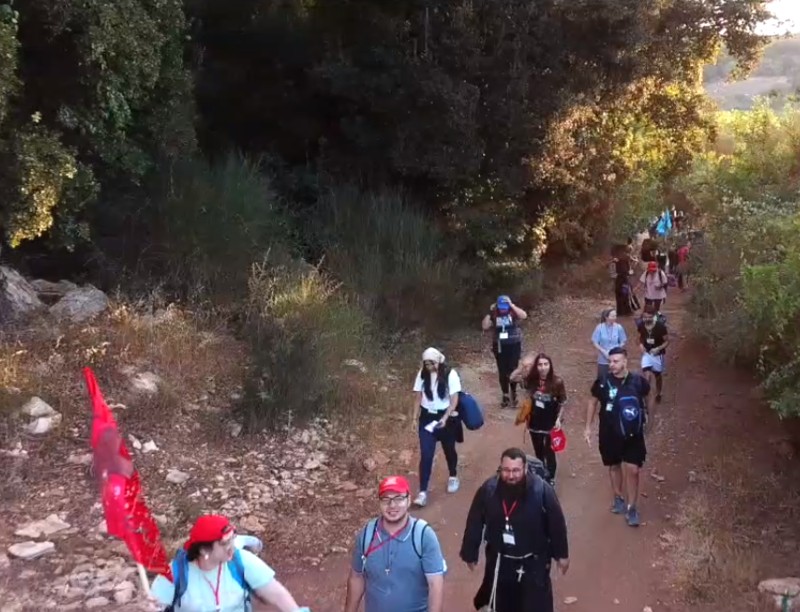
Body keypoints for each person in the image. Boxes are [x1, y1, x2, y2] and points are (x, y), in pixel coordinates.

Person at [459, 448, 569, 612]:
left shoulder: (542, 491)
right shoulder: (489, 490)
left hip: (534, 562)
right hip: (500, 561)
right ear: (500, 468)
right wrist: (470, 552)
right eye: (506, 470)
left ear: (525, 469)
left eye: (516, 470)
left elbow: (556, 523)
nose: (511, 476)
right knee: (502, 605)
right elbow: (475, 520)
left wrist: (562, 555)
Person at [150, 514, 308, 611]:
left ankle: (243, 541)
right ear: (203, 550)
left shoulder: (241, 560)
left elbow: (277, 594)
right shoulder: (175, 573)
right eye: (224, 543)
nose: (231, 548)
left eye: (232, 540)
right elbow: (154, 606)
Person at [345, 475, 445, 612]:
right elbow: (356, 577)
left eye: (398, 498)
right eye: (386, 499)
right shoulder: (368, 534)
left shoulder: (423, 536)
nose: (392, 505)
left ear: (408, 500)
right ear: (379, 503)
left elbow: (435, 584)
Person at [583, 347, 651, 527]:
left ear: (625, 361)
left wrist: (648, 415)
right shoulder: (603, 381)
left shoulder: (638, 381)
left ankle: (632, 507)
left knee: (633, 470)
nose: (612, 365)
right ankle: (618, 497)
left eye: (616, 361)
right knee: (614, 465)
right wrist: (588, 427)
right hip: (609, 432)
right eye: (610, 361)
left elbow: (646, 396)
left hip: (633, 433)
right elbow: (592, 402)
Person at [409, 347, 463, 506]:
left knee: (449, 449)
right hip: (427, 418)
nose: (429, 366)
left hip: (445, 417)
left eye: (432, 363)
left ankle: (453, 475)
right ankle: (422, 491)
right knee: (426, 454)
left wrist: (445, 418)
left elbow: (454, 399)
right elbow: (418, 397)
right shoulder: (422, 374)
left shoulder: (450, 374)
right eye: (426, 363)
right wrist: (414, 418)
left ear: (439, 361)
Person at [512, 354, 567, 486]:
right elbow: (512, 378)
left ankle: (551, 478)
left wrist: (559, 419)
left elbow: (563, 402)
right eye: (540, 365)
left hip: (550, 423)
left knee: (550, 451)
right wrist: (521, 367)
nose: (543, 368)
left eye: (546, 364)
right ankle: (541, 473)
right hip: (534, 423)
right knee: (539, 451)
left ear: (550, 366)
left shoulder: (557, 382)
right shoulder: (531, 381)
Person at [482, 295, 528, 407]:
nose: (503, 309)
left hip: (514, 344)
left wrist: (512, 305)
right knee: (502, 369)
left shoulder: (512, 311)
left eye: (505, 306)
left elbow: (524, 315)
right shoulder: (494, 313)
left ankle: (514, 392)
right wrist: (489, 312)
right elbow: (485, 326)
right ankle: (505, 394)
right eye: (501, 307)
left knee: (513, 368)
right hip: (499, 345)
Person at [637, 306, 669, 404]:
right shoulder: (641, 325)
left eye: (649, 317)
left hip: (657, 355)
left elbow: (667, 341)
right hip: (646, 354)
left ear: (654, 316)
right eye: (645, 317)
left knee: (657, 376)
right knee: (647, 375)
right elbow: (639, 337)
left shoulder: (660, 327)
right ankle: (646, 395)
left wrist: (658, 348)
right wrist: (641, 345)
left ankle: (658, 392)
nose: (647, 319)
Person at [591, 308, 627, 379]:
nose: (614, 318)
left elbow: (623, 341)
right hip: (603, 357)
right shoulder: (599, 327)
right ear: (606, 317)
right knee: (602, 378)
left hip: (616, 358)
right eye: (612, 316)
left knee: (616, 378)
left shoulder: (619, 327)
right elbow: (595, 342)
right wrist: (603, 351)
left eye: (615, 316)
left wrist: (617, 350)